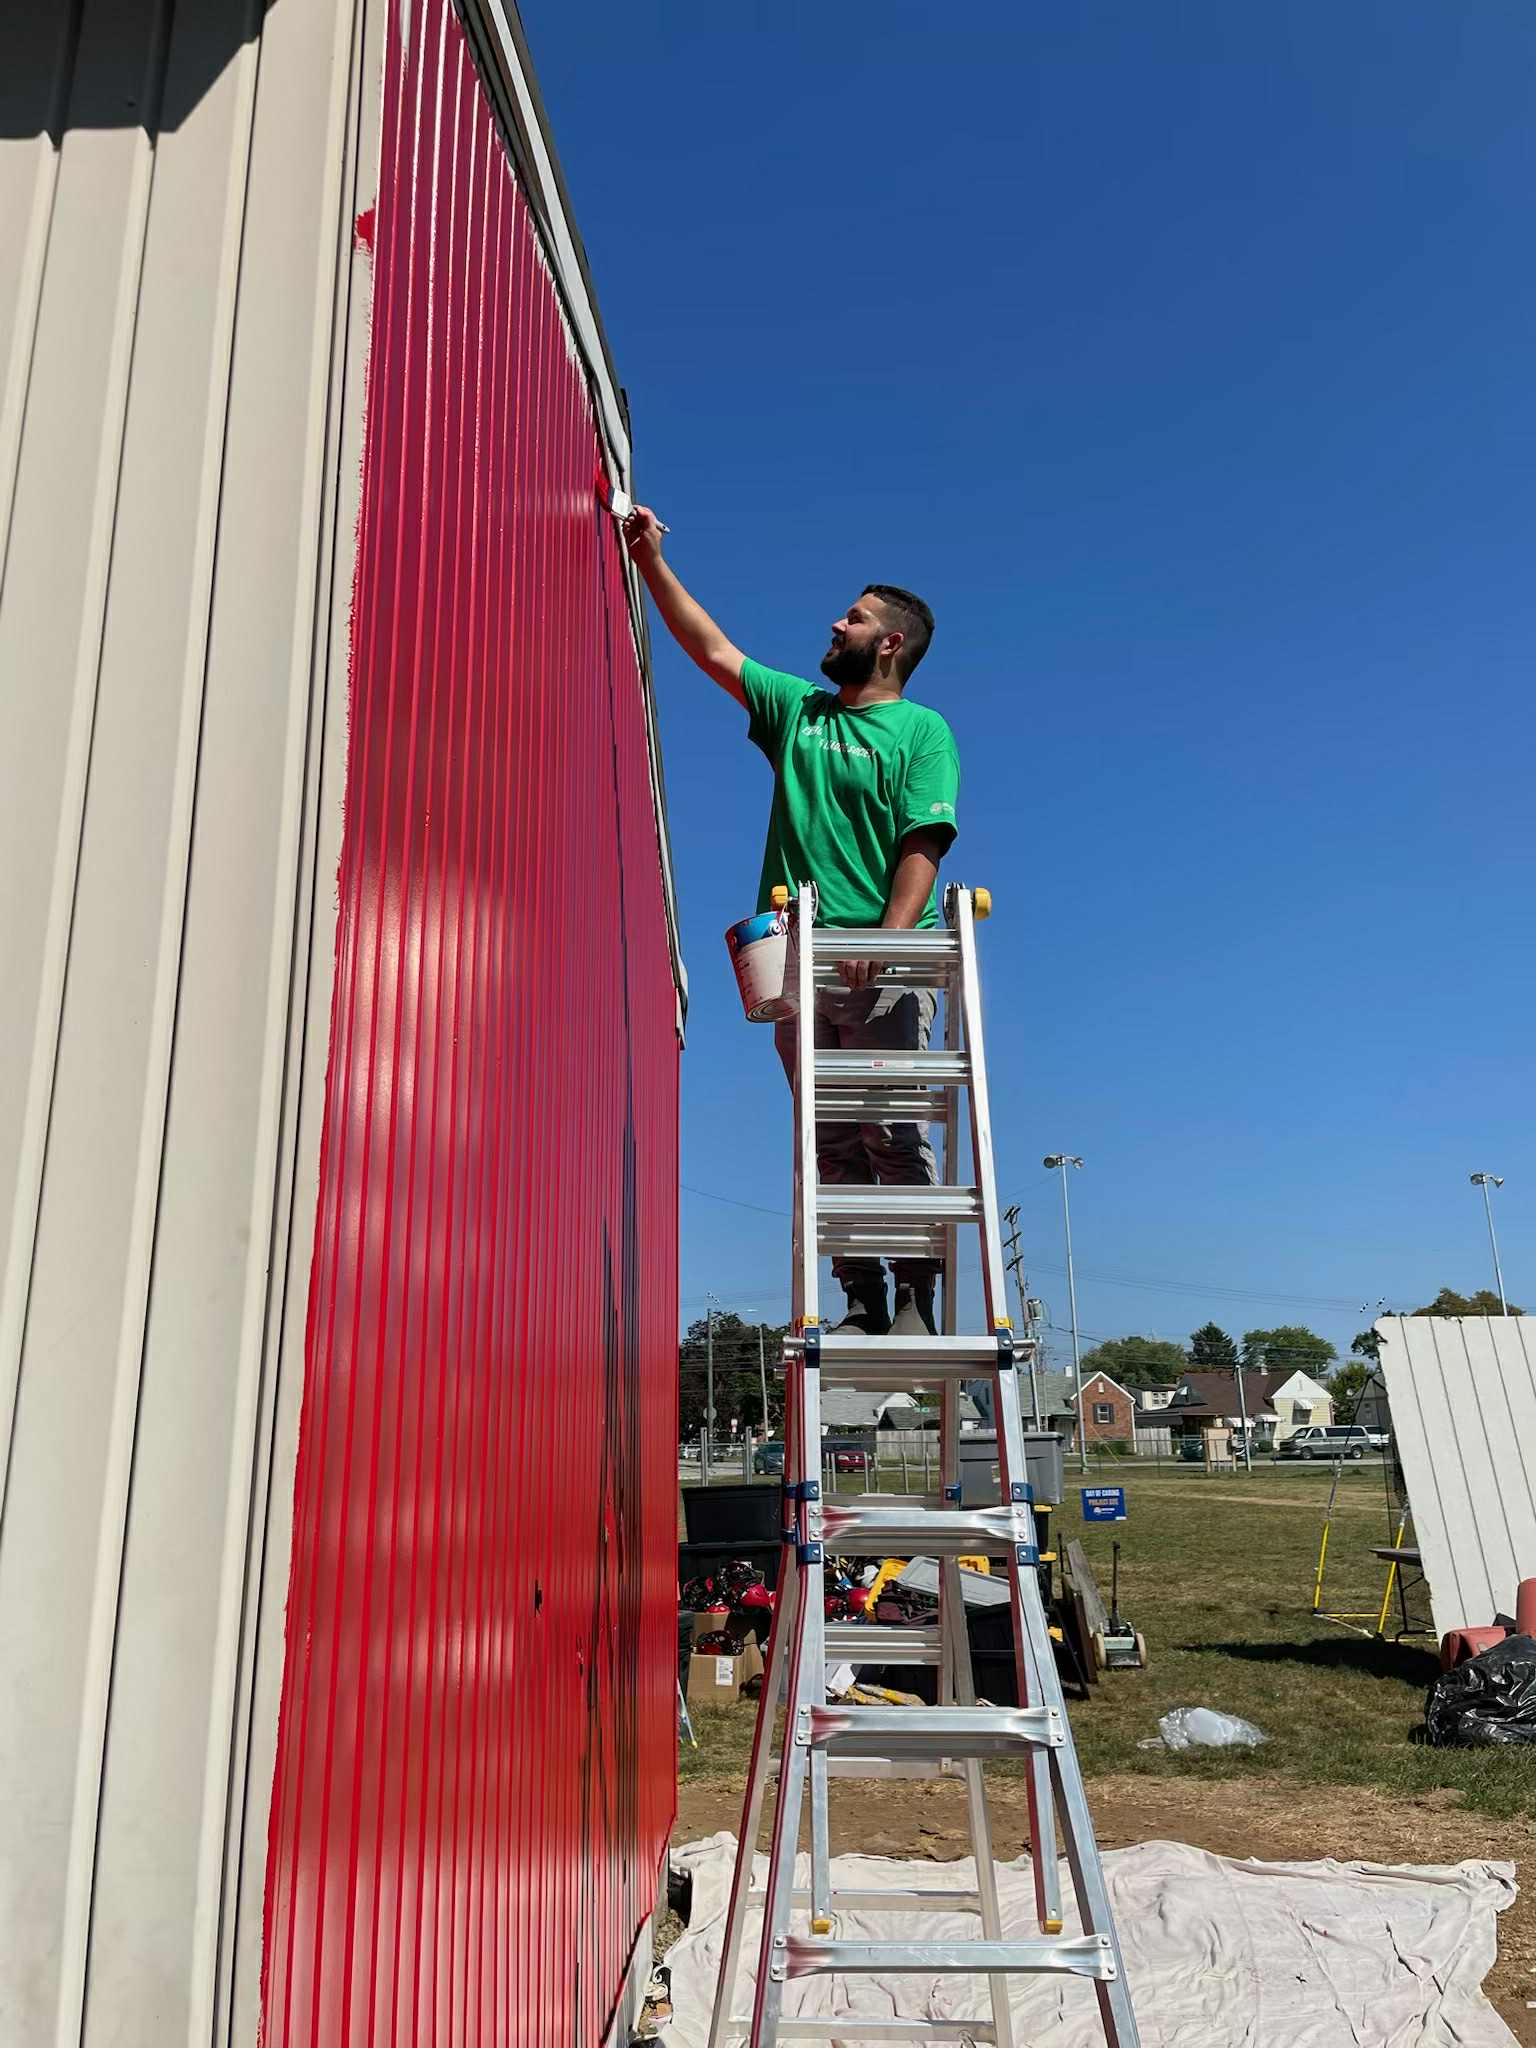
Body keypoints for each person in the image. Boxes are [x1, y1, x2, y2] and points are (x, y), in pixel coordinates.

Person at [624, 507, 958, 1338]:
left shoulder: (921, 732)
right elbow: (712, 649)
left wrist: (883, 943)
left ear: (889, 644)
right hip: (798, 958)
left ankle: (915, 1291)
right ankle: (860, 1298)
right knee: (828, 1135)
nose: (834, 623)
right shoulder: (800, 712)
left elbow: (924, 842)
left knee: (890, 1131)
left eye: (853, 617)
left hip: (880, 963)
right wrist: (650, 561)